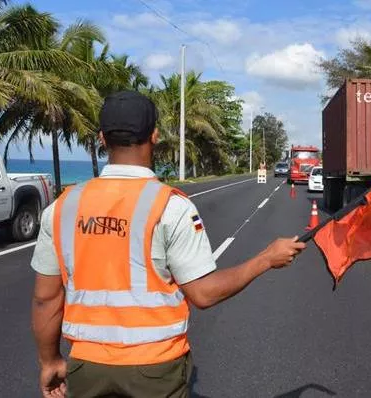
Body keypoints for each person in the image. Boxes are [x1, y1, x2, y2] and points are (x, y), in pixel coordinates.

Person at [30, 90, 306, 397]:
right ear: (155, 135)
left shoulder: (62, 208)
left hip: (86, 367)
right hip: (155, 368)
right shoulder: (170, 206)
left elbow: (46, 298)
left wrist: (49, 360)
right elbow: (203, 293)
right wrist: (266, 258)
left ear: (102, 139)